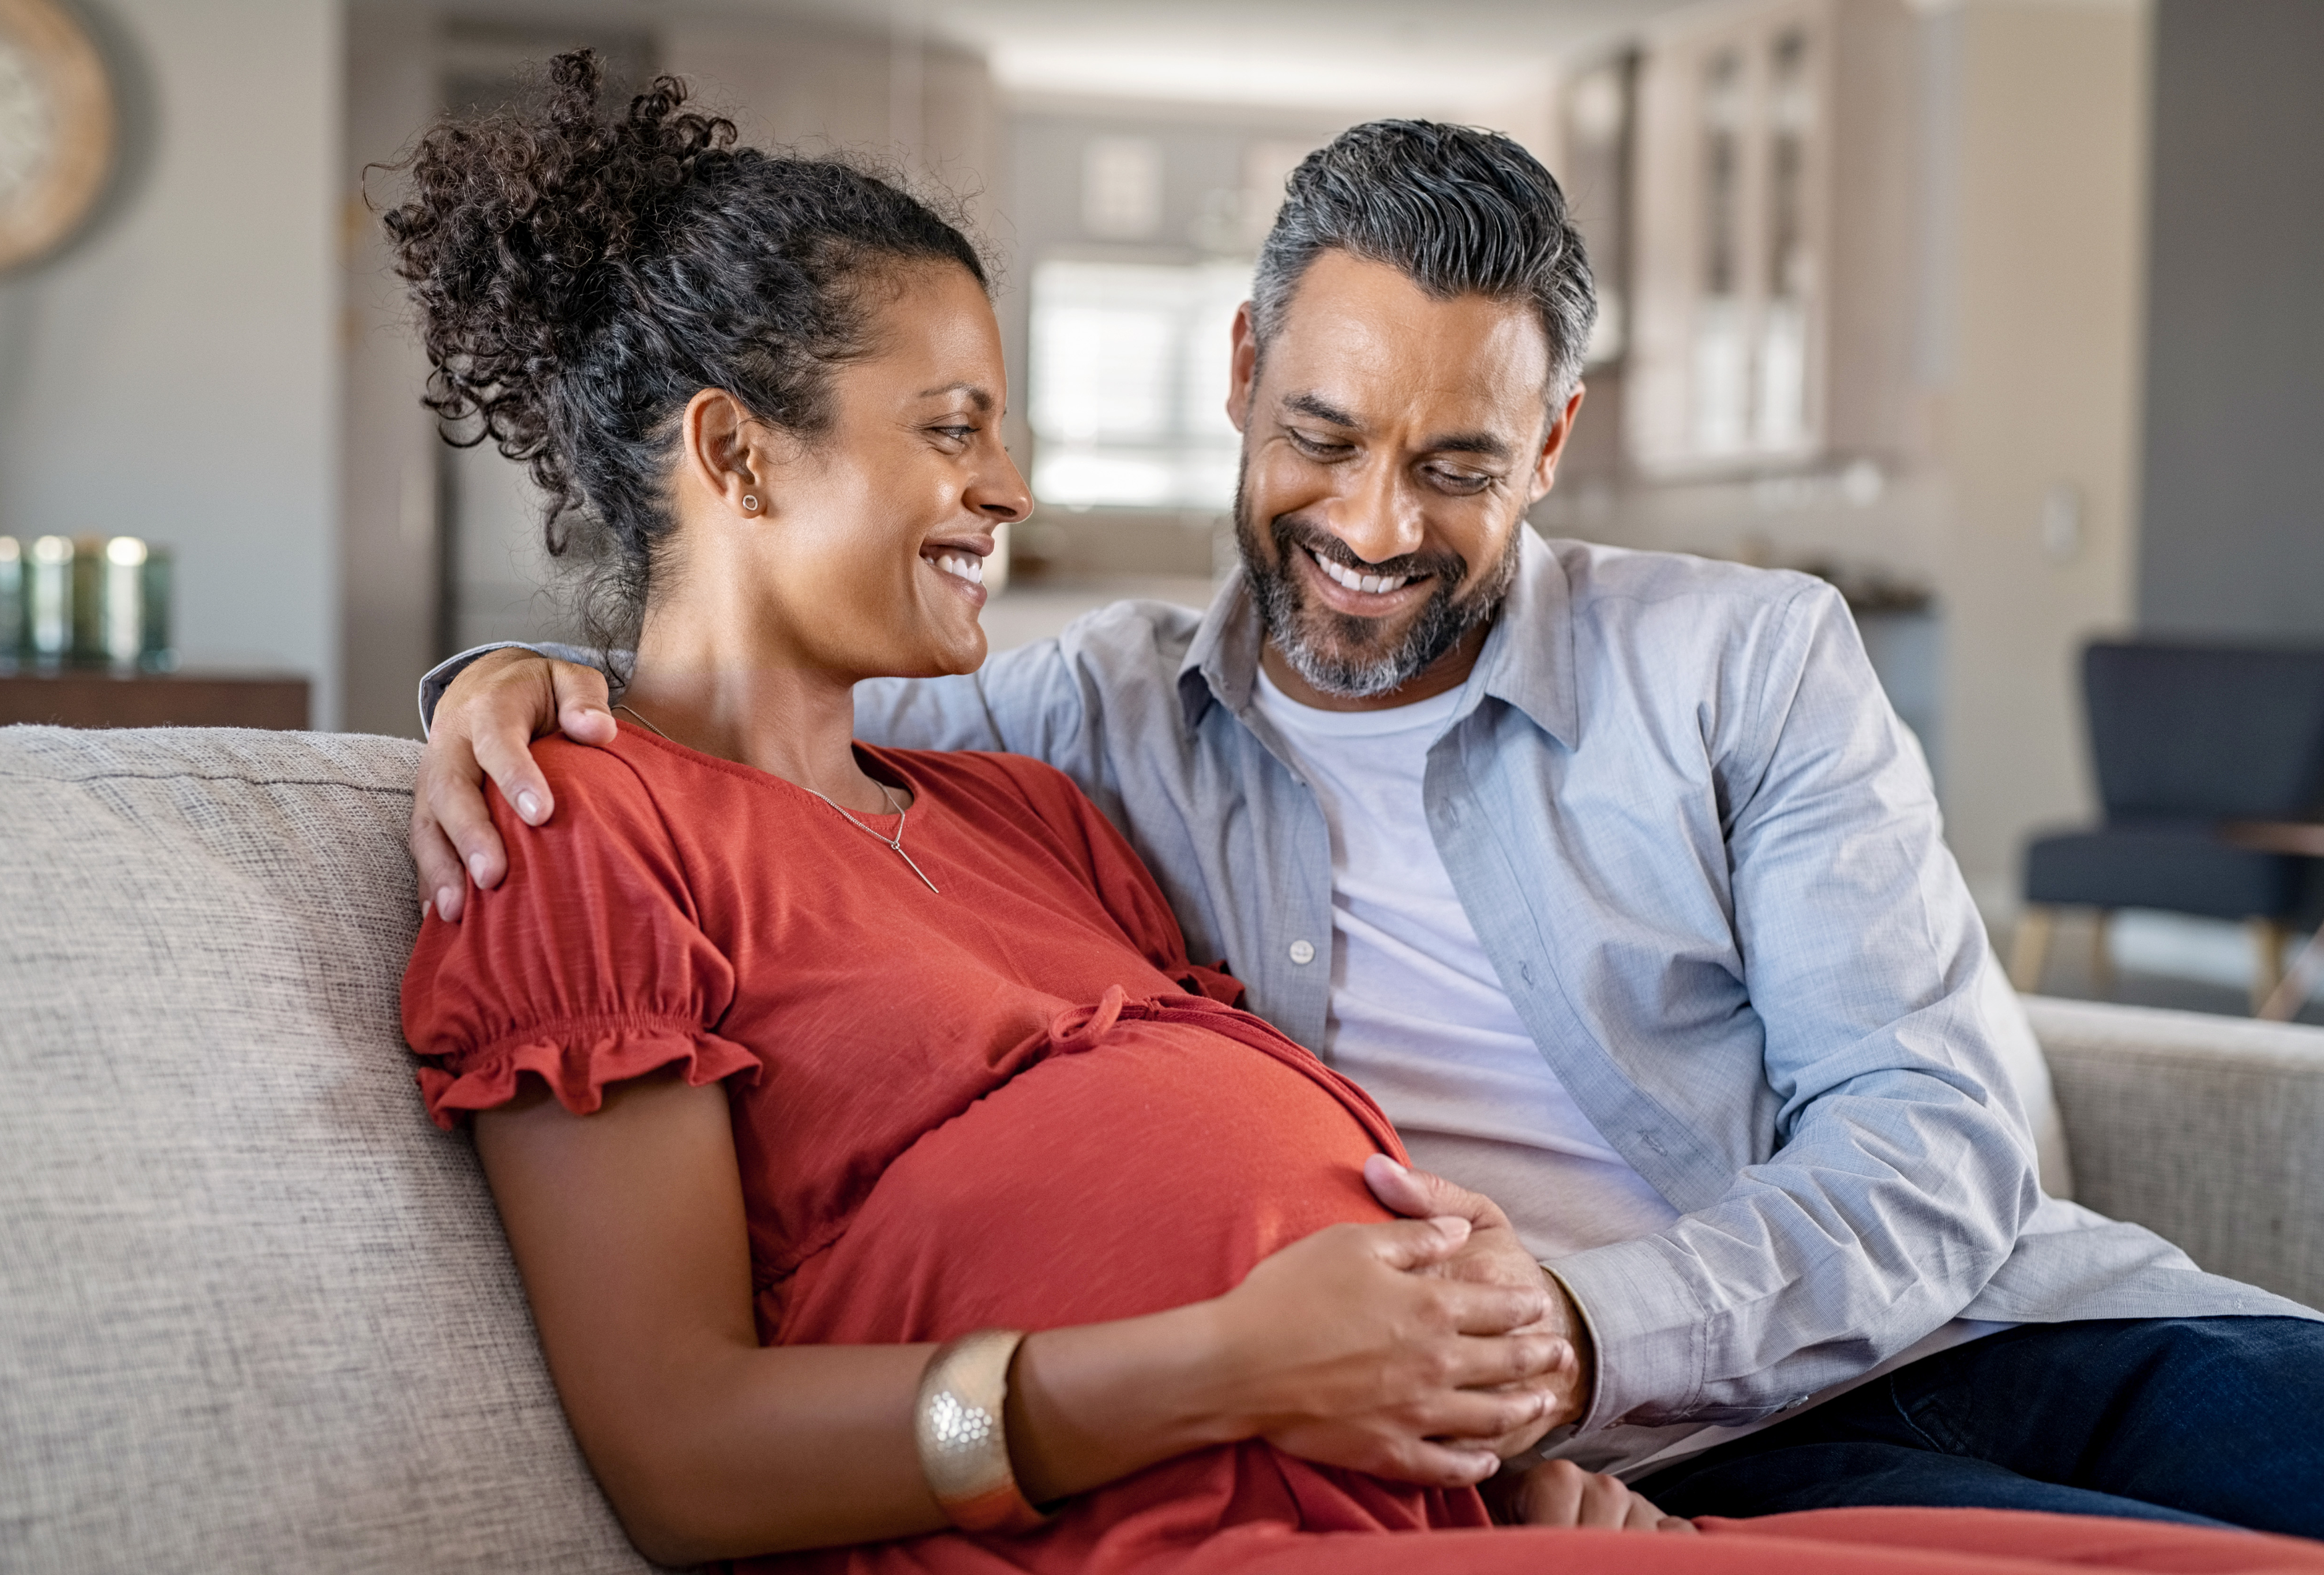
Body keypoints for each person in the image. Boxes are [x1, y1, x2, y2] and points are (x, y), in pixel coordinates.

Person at [411, 76, 2324, 1536]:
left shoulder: (1748, 660)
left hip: (1989, 1334)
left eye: (1461, 462)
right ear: (1243, 378)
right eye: (1321, 438)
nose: (1375, 528)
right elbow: (739, 682)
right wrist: (508, 683)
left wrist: (1576, 1334)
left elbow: (1929, 1136)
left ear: (1556, 442)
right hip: (1625, 1480)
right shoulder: (1082, 714)